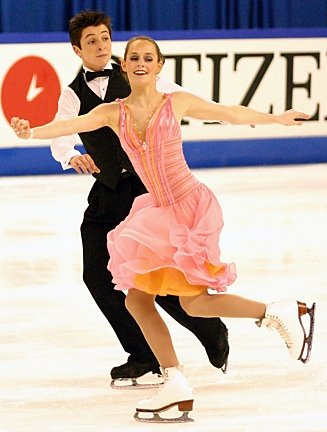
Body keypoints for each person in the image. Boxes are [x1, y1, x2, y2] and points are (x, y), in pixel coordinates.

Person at [11, 35, 315, 423]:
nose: (140, 63)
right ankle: (177, 381)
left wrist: (276, 119)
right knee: (140, 300)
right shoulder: (111, 112)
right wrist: (29, 132)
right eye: (134, 57)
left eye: (148, 58)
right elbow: (66, 125)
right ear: (125, 66)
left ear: (158, 66)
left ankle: (279, 312)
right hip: (157, 211)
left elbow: (229, 113)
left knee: (193, 302)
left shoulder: (176, 102)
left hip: (189, 207)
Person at [49, 10, 230, 387]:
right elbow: (61, 133)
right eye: (91, 41)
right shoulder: (72, 94)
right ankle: (143, 354)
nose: (100, 45)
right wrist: (71, 155)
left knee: (154, 279)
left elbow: (178, 99)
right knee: (97, 275)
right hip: (108, 190)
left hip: (147, 192)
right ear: (76, 49)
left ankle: (209, 329)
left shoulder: (137, 74)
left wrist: (226, 115)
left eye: (104, 38)